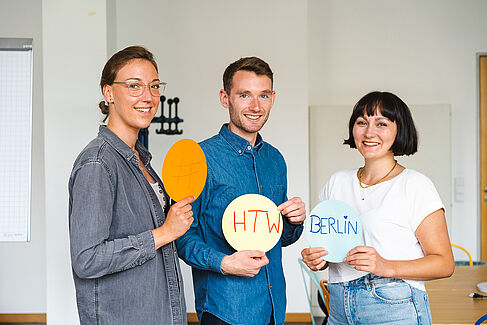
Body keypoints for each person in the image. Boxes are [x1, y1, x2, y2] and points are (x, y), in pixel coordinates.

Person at [301, 91, 454, 324]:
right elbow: (333, 252)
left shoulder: (415, 185)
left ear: (399, 130)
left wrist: (386, 266)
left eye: (381, 123)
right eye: (361, 122)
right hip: (339, 307)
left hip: (394, 307)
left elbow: (444, 263)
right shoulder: (337, 182)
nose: (369, 132)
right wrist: (320, 260)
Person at [68, 46, 194, 325]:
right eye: (134, 86)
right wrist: (163, 233)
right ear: (108, 93)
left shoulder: (140, 159)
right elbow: (87, 259)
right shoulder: (98, 164)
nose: (148, 97)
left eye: (154, 86)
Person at [176, 57, 306, 325]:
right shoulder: (198, 159)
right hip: (226, 310)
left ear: (273, 98)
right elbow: (181, 238)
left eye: (264, 96)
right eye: (244, 95)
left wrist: (294, 221)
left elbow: (276, 237)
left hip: (273, 307)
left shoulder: (275, 159)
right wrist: (225, 263)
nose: (255, 106)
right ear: (225, 98)